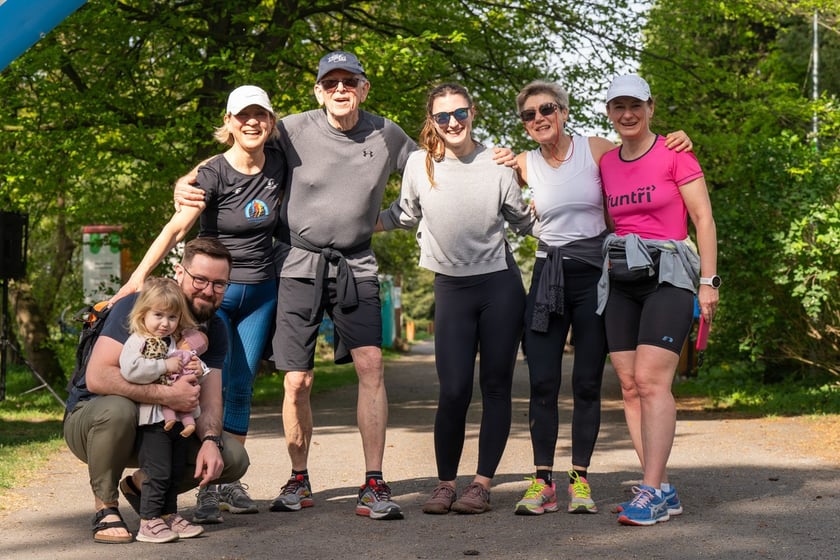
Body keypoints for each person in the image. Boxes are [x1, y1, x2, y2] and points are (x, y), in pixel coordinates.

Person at [510, 80, 693, 516]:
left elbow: (641, 157)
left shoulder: (597, 150)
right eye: (529, 114)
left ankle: (580, 481)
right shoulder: (519, 163)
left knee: (588, 383)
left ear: (564, 111)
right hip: (547, 275)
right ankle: (541, 482)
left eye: (547, 109)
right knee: (542, 383)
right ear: (524, 123)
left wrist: (678, 141)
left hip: (596, 275)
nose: (540, 118)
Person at [110, 85, 284, 521]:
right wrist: (136, 279)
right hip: (212, 296)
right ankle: (195, 486)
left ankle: (226, 483)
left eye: (260, 115)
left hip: (262, 291)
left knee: (242, 383)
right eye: (242, 116)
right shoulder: (212, 174)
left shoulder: (280, 160)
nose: (252, 122)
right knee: (206, 380)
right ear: (227, 123)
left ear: (271, 121)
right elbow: (174, 231)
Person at [378, 83, 538, 514]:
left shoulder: (498, 163)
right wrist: (351, 225)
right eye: (443, 116)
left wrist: (582, 210)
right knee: (452, 390)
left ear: (473, 113)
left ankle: (481, 484)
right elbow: (403, 213)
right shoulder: (419, 163)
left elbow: (526, 221)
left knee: (496, 387)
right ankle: (446, 484)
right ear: (432, 120)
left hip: (499, 287)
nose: (453, 123)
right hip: (450, 288)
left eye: (460, 113)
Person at [64, 237, 249, 544]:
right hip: (93, 419)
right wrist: (167, 395)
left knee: (232, 457)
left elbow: (212, 399)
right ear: (180, 273)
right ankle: (106, 508)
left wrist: (212, 441)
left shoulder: (213, 329)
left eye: (219, 284)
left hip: (159, 426)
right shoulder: (138, 305)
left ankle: (143, 489)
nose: (208, 290)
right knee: (118, 409)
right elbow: (98, 377)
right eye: (200, 279)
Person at [596, 74, 718, 526]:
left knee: (652, 381)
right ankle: (661, 487)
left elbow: (703, 219)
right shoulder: (606, 161)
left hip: (670, 275)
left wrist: (710, 281)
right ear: (609, 112)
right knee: (628, 385)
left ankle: (649, 491)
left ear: (650, 106)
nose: (627, 114)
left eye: (635, 105)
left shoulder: (675, 153)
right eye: (618, 107)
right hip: (622, 276)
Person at [118, 277, 207, 543]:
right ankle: (148, 521)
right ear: (143, 314)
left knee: (176, 469)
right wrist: (163, 367)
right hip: (153, 420)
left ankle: (168, 515)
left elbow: (186, 366)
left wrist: (196, 368)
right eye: (158, 315)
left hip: (178, 419)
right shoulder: (138, 341)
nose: (165, 323)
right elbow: (131, 370)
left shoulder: (171, 344)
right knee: (157, 471)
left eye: (172, 317)